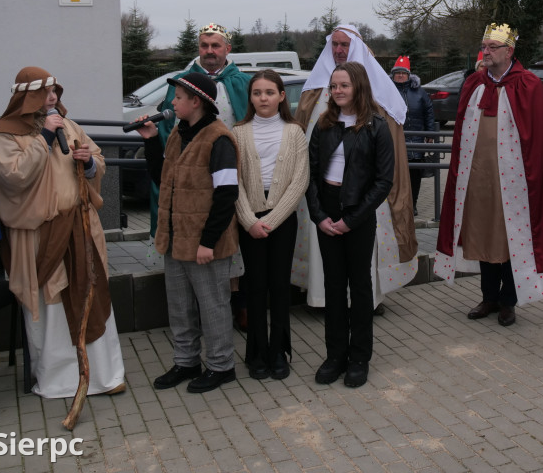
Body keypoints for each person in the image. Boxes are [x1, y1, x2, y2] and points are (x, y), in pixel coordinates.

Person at [0, 67, 125, 398]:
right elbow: (13, 178)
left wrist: (88, 162)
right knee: (52, 302)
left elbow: (97, 158)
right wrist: (44, 138)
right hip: (41, 236)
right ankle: (60, 379)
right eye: (46, 92)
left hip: (80, 228)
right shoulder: (5, 135)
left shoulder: (69, 125)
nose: (53, 98)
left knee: (90, 294)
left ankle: (105, 375)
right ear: (26, 97)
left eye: (56, 92)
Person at [435, 23, 543, 327]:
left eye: (492, 47)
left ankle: (508, 301)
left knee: (510, 239)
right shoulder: (474, 84)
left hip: (515, 181)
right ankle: (488, 297)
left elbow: (538, 140)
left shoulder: (527, 84)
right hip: (477, 178)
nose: (485, 52)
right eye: (484, 46)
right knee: (481, 235)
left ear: (509, 51)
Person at [293, 25, 417, 310]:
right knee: (325, 247)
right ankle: (322, 299)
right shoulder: (314, 88)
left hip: (365, 193)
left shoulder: (376, 94)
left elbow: (387, 151)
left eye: (344, 45)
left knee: (364, 252)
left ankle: (366, 301)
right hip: (324, 191)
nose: (338, 50)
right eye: (334, 44)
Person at [137, 72, 240, 392]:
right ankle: (186, 361)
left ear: (196, 102)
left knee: (213, 306)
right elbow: (161, 177)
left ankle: (222, 365)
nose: (172, 102)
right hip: (175, 238)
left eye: (178, 97)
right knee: (180, 307)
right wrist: (150, 139)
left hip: (205, 243)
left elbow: (227, 195)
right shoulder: (177, 134)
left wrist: (207, 242)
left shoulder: (219, 138)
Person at [154, 23, 251, 328]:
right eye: (205, 46)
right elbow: (170, 128)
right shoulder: (182, 82)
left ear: (227, 50)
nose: (210, 51)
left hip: (233, 168)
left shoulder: (241, 81)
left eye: (216, 46)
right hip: (194, 174)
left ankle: (236, 302)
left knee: (232, 233)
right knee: (202, 233)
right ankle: (200, 309)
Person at [306, 62, 394, 388]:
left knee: (359, 288)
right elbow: (311, 175)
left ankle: (359, 358)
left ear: (358, 87)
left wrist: (351, 221)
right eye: (334, 86)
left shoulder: (376, 126)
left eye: (344, 85)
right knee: (333, 287)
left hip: (358, 215)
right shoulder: (324, 124)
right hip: (327, 215)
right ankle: (335, 356)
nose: (338, 91)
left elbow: (384, 181)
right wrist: (319, 216)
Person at [231, 70, 308, 381]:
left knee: (279, 287)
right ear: (250, 98)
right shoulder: (238, 133)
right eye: (257, 93)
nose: (263, 98)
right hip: (248, 219)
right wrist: (250, 221)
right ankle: (257, 353)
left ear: (280, 96)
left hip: (282, 219)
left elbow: (300, 180)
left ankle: (279, 351)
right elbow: (232, 182)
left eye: (269, 92)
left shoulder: (294, 132)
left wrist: (272, 220)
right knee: (254, 287)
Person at [390, 55, 437, 215]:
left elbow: (429, 111)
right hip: (395, 140)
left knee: (414, 175)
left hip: (416, 139)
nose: (401, 75)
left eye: (403, 73)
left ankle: (413, 204)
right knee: (395, 173)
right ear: (393, 75)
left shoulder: (419, 92)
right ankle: (396, 203)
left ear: (409, 75)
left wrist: (430, 132)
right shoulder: (387, 90)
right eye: (397, 73)